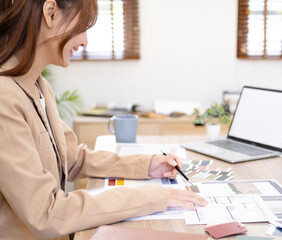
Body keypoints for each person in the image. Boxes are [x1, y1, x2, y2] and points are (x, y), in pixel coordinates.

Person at [0, 0, 208, 239]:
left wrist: (146, 165)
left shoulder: (39, 85)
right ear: (51, 13)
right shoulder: (5, 97)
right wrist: (156, 198)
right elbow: (47, 212)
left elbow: (73, 159)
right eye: (82, 28)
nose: (85, 41)